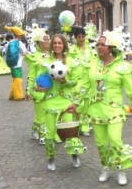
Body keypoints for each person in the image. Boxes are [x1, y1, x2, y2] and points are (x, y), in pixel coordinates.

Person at [69, 31, 132, 186]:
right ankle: (106, 166)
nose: (99, 47)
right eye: (98, 44)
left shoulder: (122, 67)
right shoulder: (92, 64)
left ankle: (120, 168)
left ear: (111, 48)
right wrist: (75, 103)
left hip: (114, 110)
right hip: (96, 110)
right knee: (101, 143)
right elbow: (85, 87)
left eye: (103, 45)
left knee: (115, 139)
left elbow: (130, 90)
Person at [34, 34, 85, 172]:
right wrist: (37, 87)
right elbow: (37, 80)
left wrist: (66, 81)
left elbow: (76, 80)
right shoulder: (45, 62)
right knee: (50, 133)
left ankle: (74, 155)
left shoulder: (71, 62)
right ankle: (51, 159)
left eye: (60, 43)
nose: (57, 45)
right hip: (50, 100)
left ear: (64, 45)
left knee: (70, 130)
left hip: (66, 100)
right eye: (55, 43)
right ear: (52, 45)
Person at [25, 33, 51, 145]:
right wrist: (29, 89)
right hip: (38, 88)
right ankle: (43, 135)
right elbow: (31, 75)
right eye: (44, 39)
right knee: (40, 114)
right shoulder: (34, 57)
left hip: (51, 89)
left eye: (48, 39)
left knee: (49, 112)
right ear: (38, 43)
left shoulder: (53, 55)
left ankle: (35, 129)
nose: (46, 41)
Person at [68, 27, 94, 137]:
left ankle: (85, 126)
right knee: (78, 103)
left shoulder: (90, 50)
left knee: (87, 104)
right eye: (79, 37)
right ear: (75, 38)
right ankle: (76, 125)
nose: (81, 39)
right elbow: (68, 63)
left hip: (87, 79)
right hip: (76, 80)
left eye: (83, 36)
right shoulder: (71, 50)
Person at [4, 26, 28, 101]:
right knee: (18, 80)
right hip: (17, 64)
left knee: (14, 79)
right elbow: (25, 53)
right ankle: (18, 96)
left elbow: (5, 52)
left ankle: (12, 95)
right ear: (19, 35)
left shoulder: (9, 43)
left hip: (11, 64)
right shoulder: (20, 43)